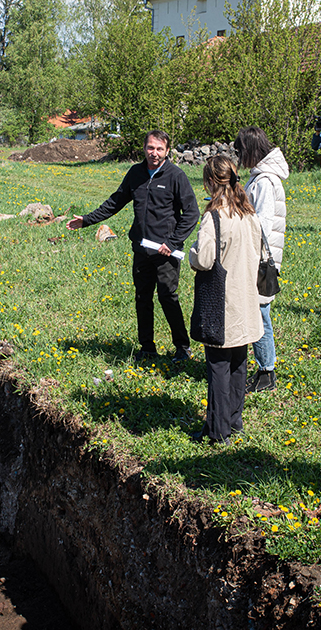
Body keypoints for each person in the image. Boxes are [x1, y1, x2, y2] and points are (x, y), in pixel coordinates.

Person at [67, 131, 200, 362]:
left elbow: (191, 213)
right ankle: (147, 348)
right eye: (150, 148)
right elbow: (115, 202)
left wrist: (172, 242)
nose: (154, 153)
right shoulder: (136, 173)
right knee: (143, 298)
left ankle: (182, 347)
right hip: (141, 250)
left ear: (167, 151)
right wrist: (87, 220)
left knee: (168, 298)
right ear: (144, 148)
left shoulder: (176, 176)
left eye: (159, 149)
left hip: (165, 252)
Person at [187, 156, 263, 443]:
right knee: (238, 363)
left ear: (209, 182)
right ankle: (234, 419)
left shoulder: (214, 215)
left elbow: (204, 260)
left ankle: (218, 431)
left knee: (218, 365)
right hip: (246, 296)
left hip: (222, 300)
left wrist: (193, 252)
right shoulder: (248, 212)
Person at [234, 127, 287, 393]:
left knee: (259, 313)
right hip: (257, 254)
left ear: (251, 150)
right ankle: (260, 366)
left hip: (260, 257)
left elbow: (262, 224)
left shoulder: (265, 181)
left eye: (241, 152)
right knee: (256, 312)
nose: (240, 157)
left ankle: (267, 371)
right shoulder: (259, 177)